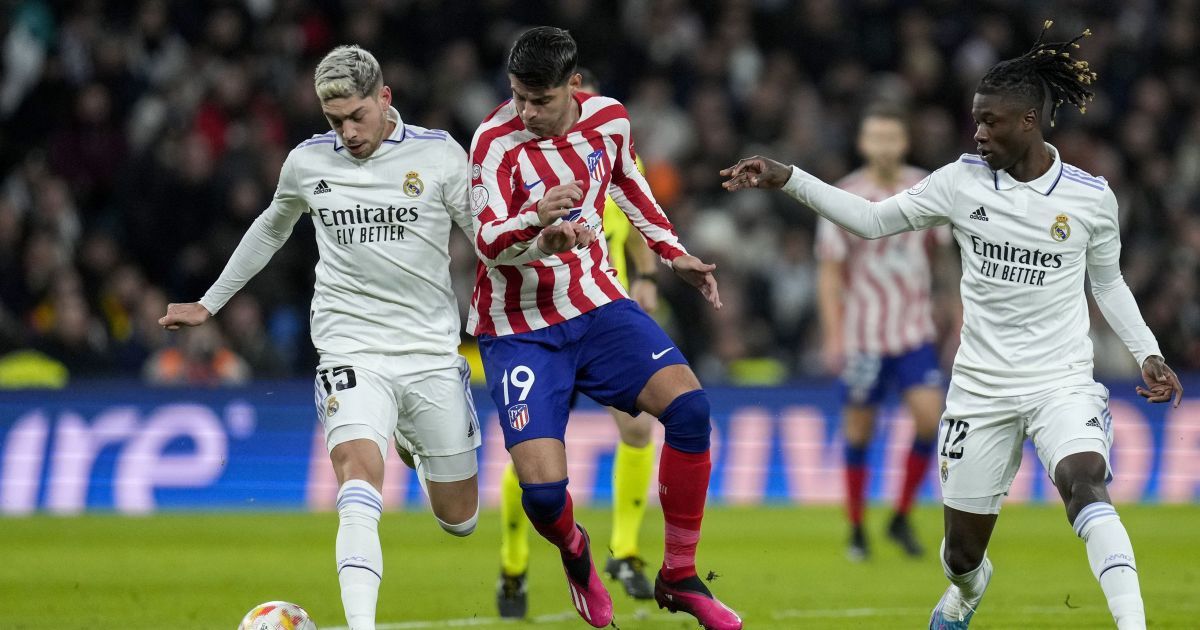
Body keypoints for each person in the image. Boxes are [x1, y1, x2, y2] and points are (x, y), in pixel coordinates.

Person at [721, 22, 1183, 630]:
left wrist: (1147, 352)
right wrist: (790, 177)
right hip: (979, 389)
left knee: (1085, 483)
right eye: (975, 120)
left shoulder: (1091, 197)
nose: (979, 132)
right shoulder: (959, 182)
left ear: (1029, 122)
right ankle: (967, 591)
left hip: (1061, 381)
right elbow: (871, 221)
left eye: (991, 122)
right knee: (961, 557)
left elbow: (1108, 283)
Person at [158, 45, 482, 630]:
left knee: (459, 519)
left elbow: (487, 236)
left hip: (430, 351)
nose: (348, 132)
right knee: (357, 478)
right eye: (335, 121)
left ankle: (408, 437)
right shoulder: (308, 163)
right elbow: (270, 228)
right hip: (349, 345)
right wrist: (209, 303)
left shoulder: (438, 155)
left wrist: (541, 244)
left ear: (385, 98)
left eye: (357, 115)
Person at [470, 27, 741, 630]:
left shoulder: (609, 120)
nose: (526, 112)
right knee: (544, 495)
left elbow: (629, 186)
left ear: (574, 85)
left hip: (595, 303)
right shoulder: (493, 141)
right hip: (519, 326)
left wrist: (673, 253)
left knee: (691, 410)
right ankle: (577, 553)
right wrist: (537, 225)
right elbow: (486, 241)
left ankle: (679, 575)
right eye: (518, 96)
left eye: (540, 100)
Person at [494, 68, 662, 618]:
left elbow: (636, 222)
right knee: (535, 455)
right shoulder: (523, 164)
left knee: (638, 428)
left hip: (603, 321)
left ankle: (626, 553)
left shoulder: (611, 156)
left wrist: (646, 278)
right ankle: (513, 565)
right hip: (543, 325)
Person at [815, 106, 951, 561]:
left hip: (915, 331)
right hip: (864, 336)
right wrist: (834, 336)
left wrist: (955, 312)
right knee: (859, 431)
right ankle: (856, 527)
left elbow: (942, 257)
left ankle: (900, 516)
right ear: (862, 144)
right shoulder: (844, 196)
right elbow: (830, 272)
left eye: (892, 137)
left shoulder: (927, 188)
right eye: (876, 138)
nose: (884, 146)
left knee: (930, 419)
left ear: (904, 142)